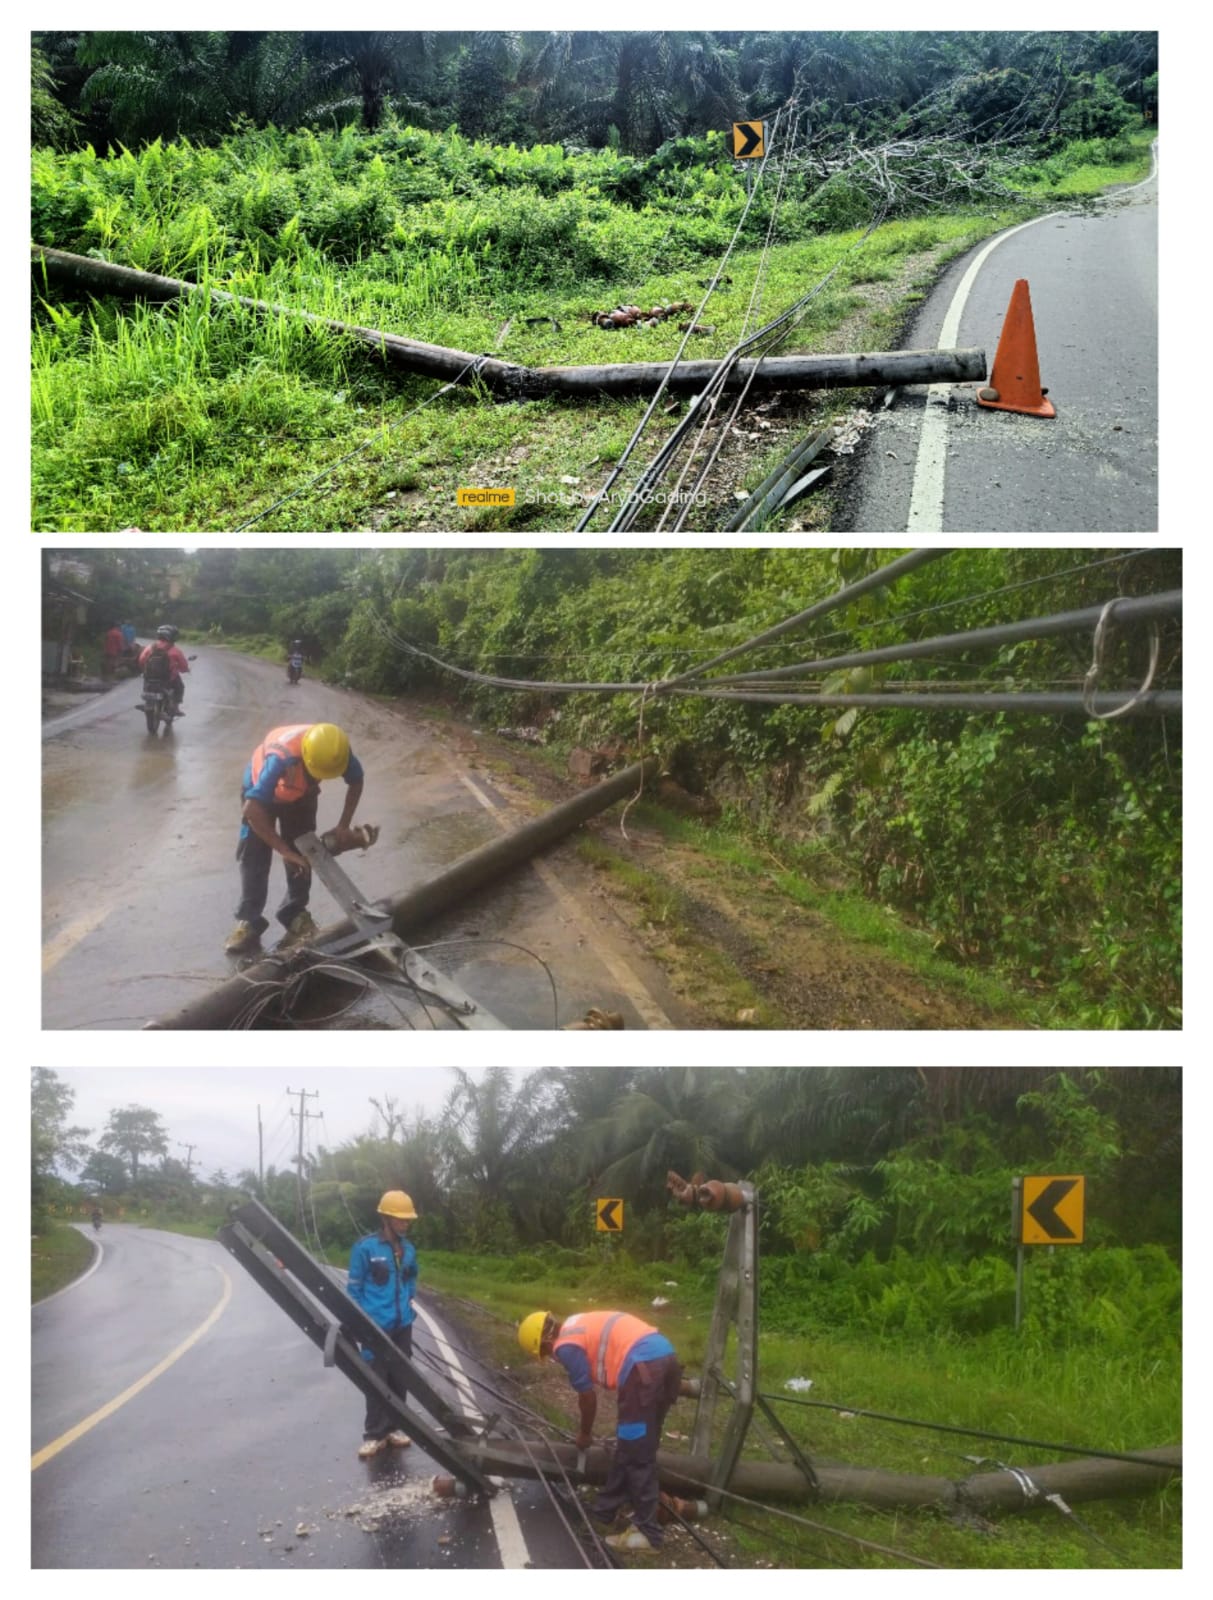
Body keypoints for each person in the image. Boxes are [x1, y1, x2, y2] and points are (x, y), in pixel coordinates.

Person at [517, 1309, 682, 1553]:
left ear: (545, 1341)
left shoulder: (566, 1346)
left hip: (643, 1365)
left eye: (544, 1352)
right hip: (665, 1356)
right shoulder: (574, 1324)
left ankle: (649, 1535)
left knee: (637, 1455)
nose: (551, 1357)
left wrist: (585, 1433)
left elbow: (587, 1398)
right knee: (633, 1445)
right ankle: (605, 1510)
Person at [224, 721, 364, 955]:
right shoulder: (280, 759)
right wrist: (284, 851)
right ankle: (249, 921)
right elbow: (252, 810)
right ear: (306, 758)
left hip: (300, 796)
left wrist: (343, 826)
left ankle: (294, 914)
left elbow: (356, 781)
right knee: (254, 857)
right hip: (260, 798)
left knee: (304, 854)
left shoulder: (336, 751)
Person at [347, 1190, 420, 1459]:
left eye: (407, 1219)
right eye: (400, 1219)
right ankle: (374, 1434)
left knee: (400, 1376)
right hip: (374, 1324)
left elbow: (411, 1276)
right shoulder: (365, 1248)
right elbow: (353, 1288)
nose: (405, 1223)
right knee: (375, 1377)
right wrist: (356, 1321)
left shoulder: (408, 1249)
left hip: (402, 1324)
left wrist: (409, 1296)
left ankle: (394, 1429)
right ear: (386, 1218)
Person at [138, 624, 190, 713]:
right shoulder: (175, 650)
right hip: (168, 679)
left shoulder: (150, 647)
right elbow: (183, 666)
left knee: (146, 682)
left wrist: (146, 669)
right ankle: (176, 707)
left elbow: (141, 660)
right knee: (180, 687)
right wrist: (185, 670)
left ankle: (147, 702)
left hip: (150, 677)